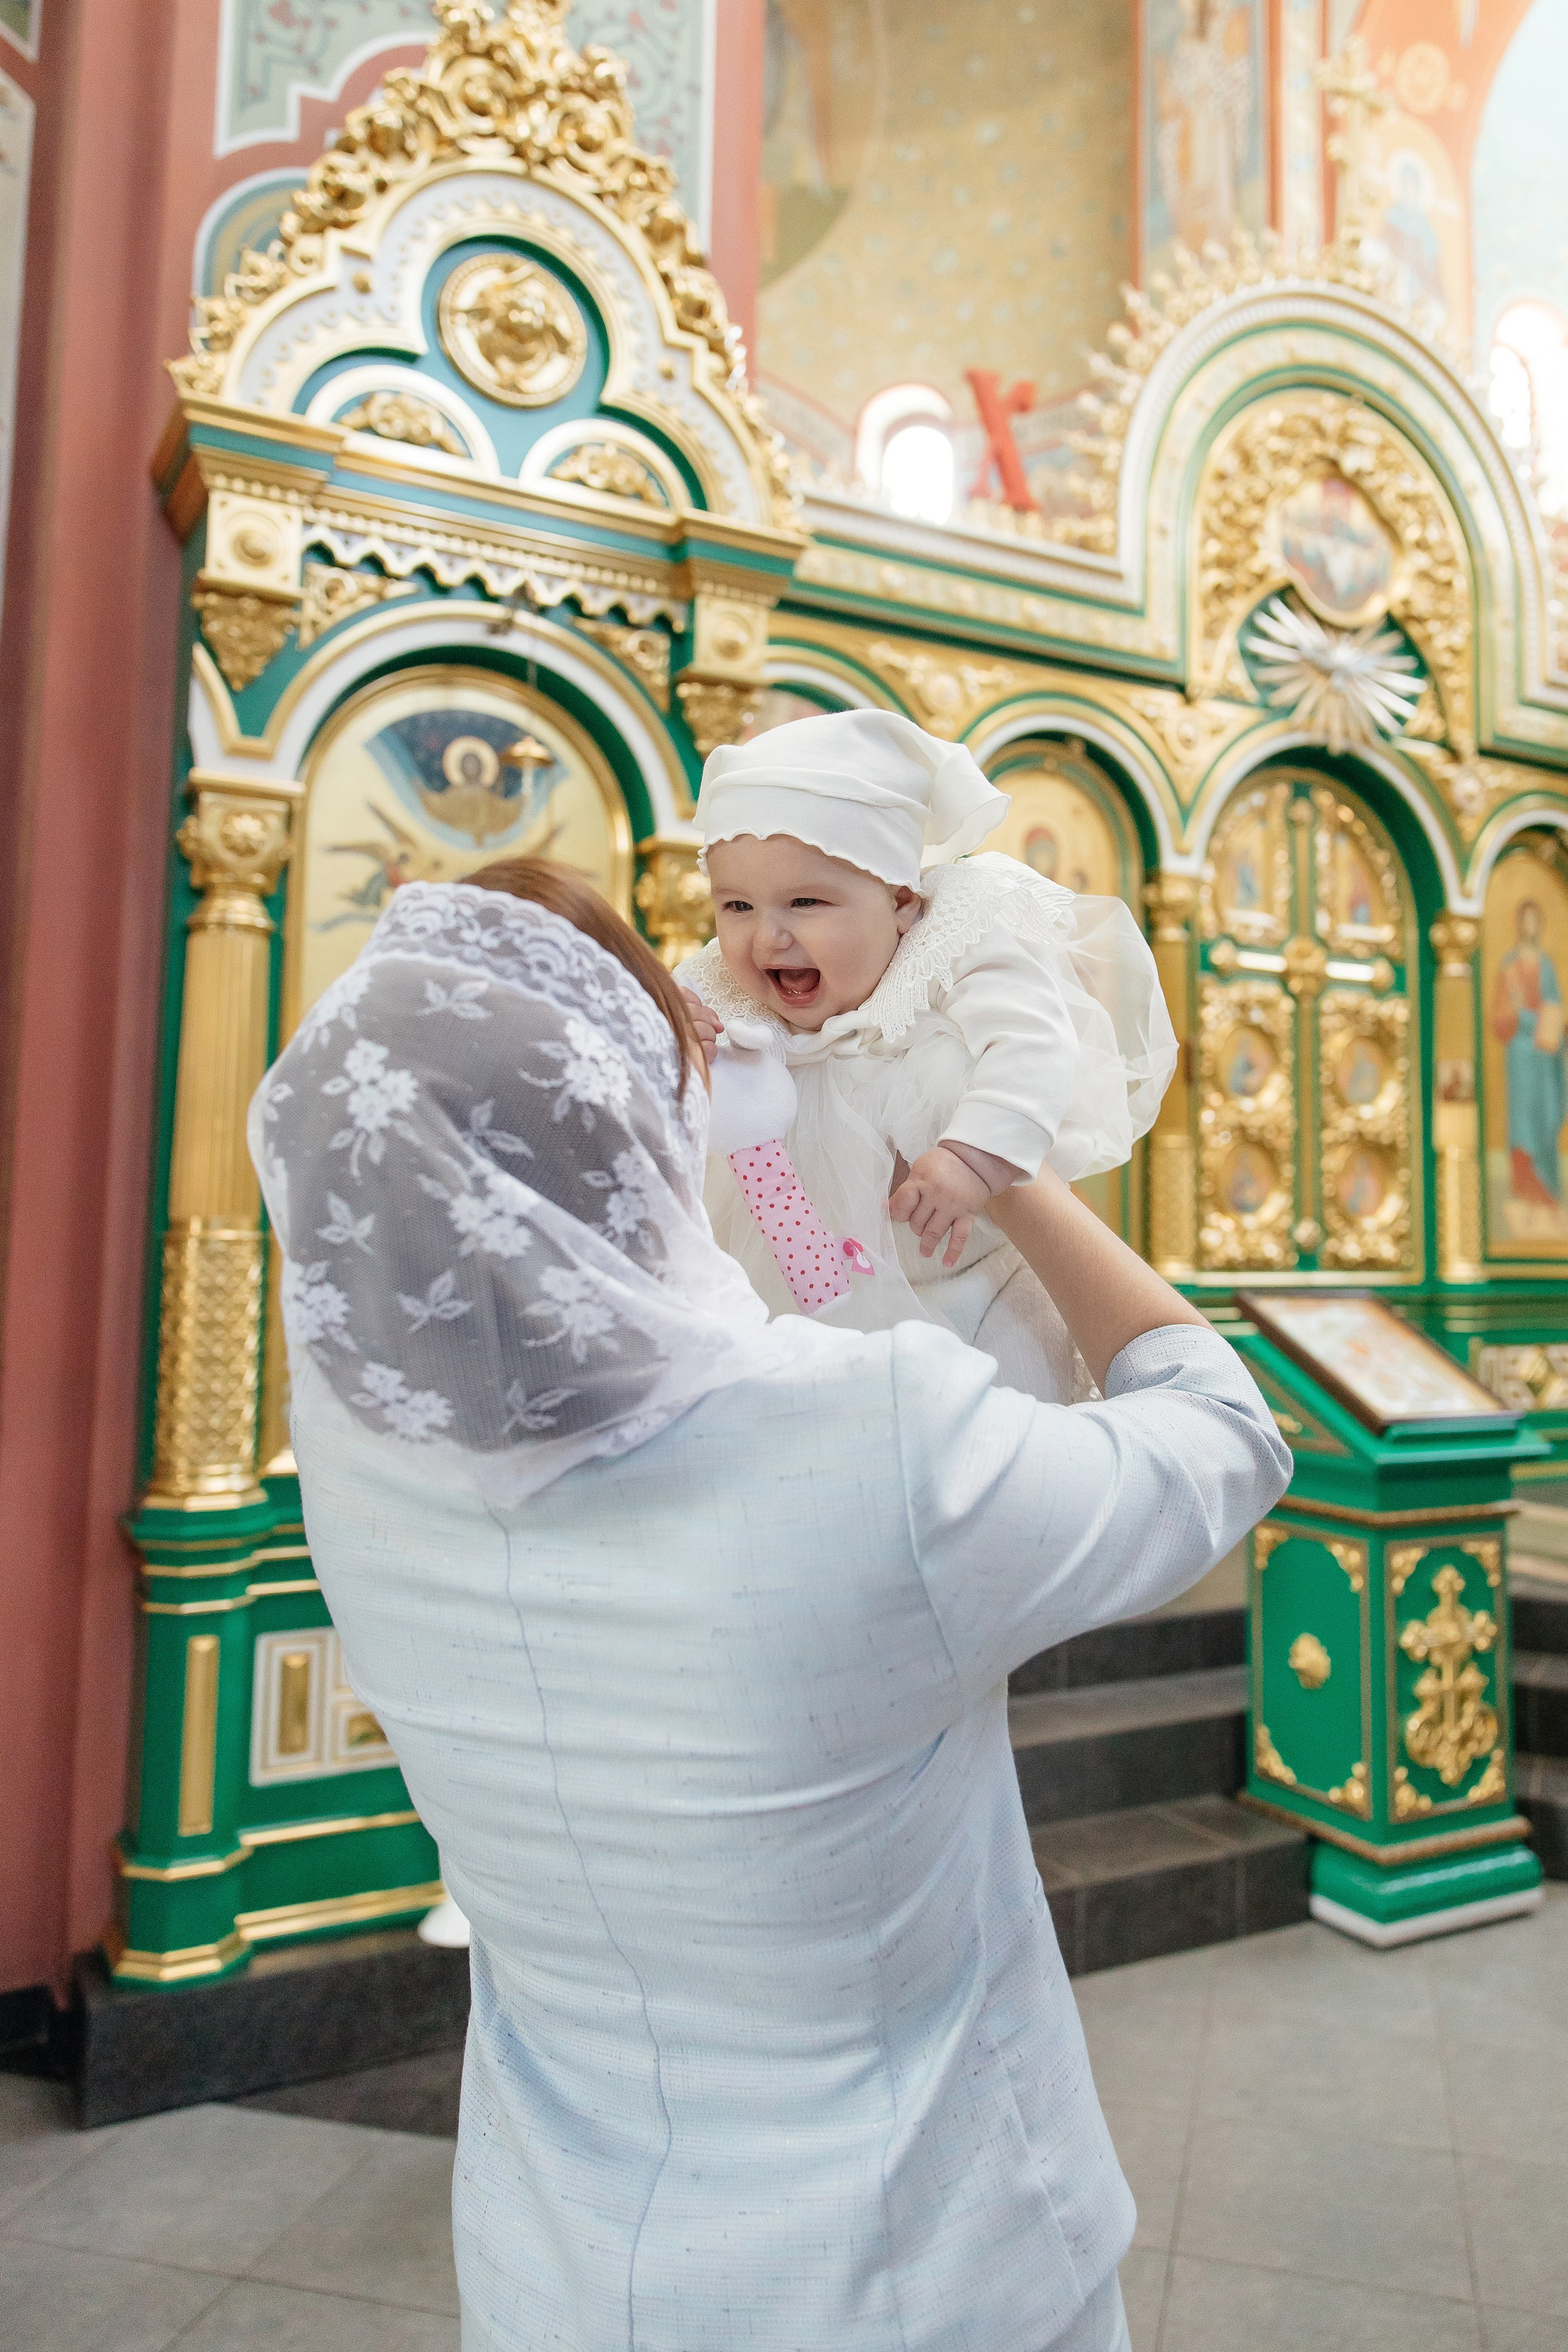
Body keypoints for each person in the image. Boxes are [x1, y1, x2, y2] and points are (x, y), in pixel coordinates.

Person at [249, 856, 1290, 2352]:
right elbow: (1220, 1434)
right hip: (912, 2272)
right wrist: (1010, 1165)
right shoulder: (868, 1442)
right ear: (630, 1124)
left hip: (558, 2271)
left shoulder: (361, 1462)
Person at [675, 709, 1175, 1401]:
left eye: (805, 901)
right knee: (808, 1392)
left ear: (902, 902)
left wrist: (972, 1158)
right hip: (796, 1282)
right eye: (736, 907)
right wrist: (674, 1042)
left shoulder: (954, 947)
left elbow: (1032, 1043)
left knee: (996, 1396)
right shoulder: (716, 985)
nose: (767, 939)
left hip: (966, 1272)